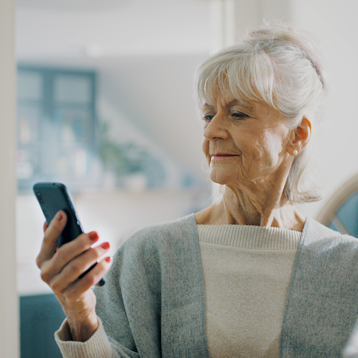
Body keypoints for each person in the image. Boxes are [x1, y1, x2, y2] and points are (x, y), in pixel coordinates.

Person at [36, 24, 358, 358]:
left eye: (238, 114)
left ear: (298, 135)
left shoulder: (348, 266)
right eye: (208, 114)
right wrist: (80, 313)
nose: (213, 130)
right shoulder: (150, 255)